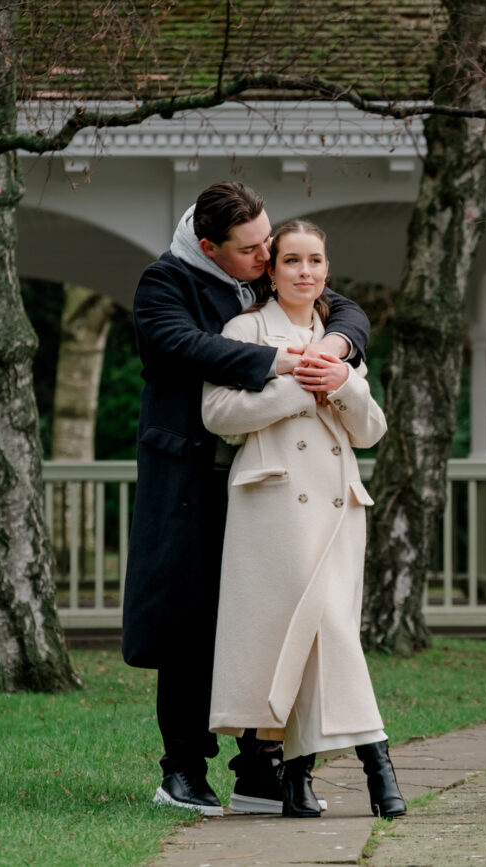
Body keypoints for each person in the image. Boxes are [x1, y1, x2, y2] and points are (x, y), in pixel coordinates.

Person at [122, 183, 371, 817]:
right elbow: (187, 346)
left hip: (265, 480)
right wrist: (287, 362)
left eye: (270, 243)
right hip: (189, 476)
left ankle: (259, 769)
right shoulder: (164, 283)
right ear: (210, 247)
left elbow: (342, 309)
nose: (268, 258)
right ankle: (181, 767)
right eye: (253, 249)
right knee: (190, 620)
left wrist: (338, 348)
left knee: (272, 614)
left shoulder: (259, 275)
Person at [201, 219, 406, 819]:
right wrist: (296, 386)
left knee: (317, 637)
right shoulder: (245, 329)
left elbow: (370, 432)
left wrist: (343, 384)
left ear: (326, 269)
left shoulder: (336, 337)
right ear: (272, 268)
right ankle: (379, 767)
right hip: (274, 510)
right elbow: (218, 413)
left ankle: (296, 780)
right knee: (320, 635)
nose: (304, 271)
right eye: (291, 260)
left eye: (315, 260)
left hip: (339, 507)